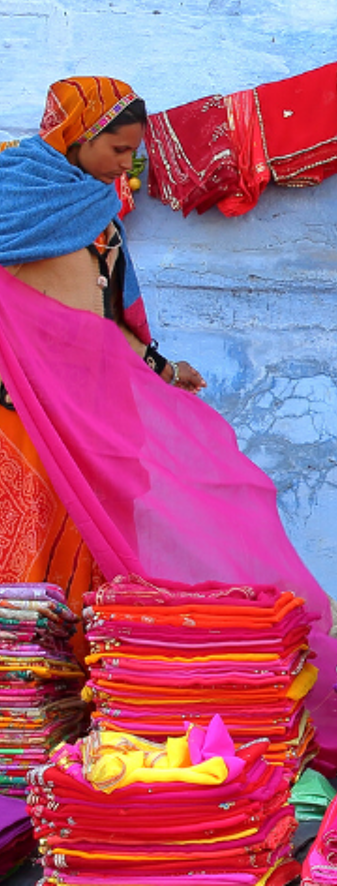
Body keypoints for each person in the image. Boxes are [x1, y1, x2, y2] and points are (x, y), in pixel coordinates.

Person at [0, 78, 206, 606]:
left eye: (134, 153)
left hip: (90, 407)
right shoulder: (11, 200)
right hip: (19, 410)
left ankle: (73, 671)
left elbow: (107, 319)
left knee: (88, 534)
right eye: (118, 149)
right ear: (77, 133)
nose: (126, 165)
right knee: (25, 534)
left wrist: (162, 368)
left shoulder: (100, 217)